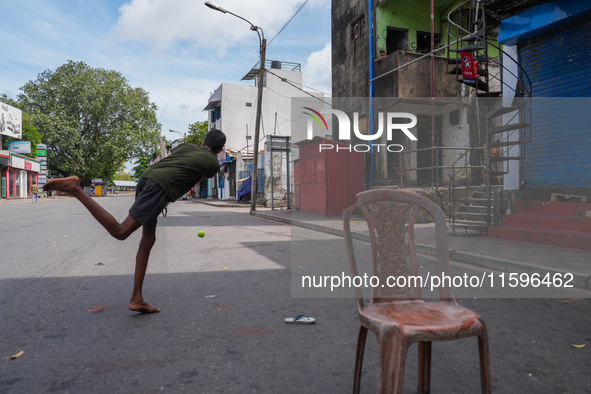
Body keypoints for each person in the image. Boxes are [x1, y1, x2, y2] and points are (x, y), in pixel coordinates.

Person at [43, 129, 226, 313]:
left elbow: (175, 167)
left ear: (203, 142)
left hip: (147, 179)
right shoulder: (213, 163)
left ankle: (137, 298)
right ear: (220, 150)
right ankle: (75, 189)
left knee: (148, 240)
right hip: (160, 187)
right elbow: (194, 179)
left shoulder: (187, 147)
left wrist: (163, 197)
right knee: (120, 231)